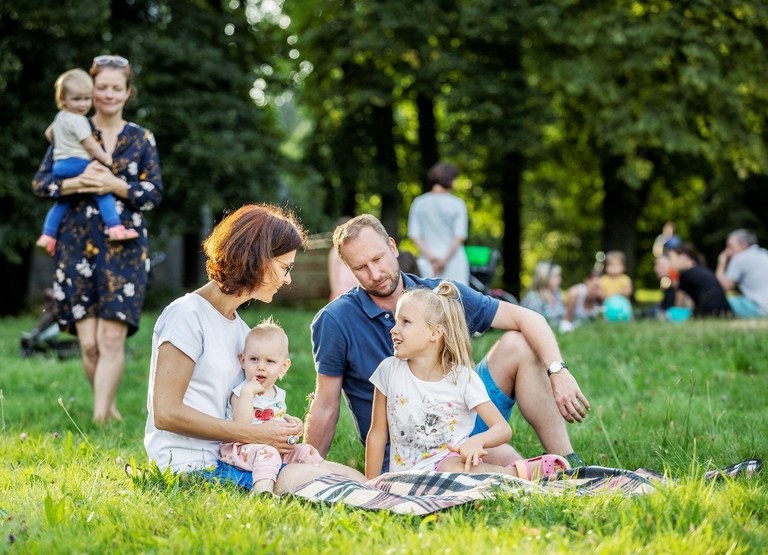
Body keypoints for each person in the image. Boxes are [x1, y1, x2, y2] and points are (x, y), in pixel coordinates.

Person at [306, 214, 590, 471]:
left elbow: (529, 318)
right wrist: (307, 466)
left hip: (459, 421)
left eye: (378, 259)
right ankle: (533, 471)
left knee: (519, 343)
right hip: (406, 447)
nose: (375, 274)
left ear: (393, 247)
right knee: (508, 464)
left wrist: (558, 370)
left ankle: (569, 462)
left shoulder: (439, 294)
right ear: (348, 269)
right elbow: (326, 405)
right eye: (361, 267)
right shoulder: (336, 320)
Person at [144, 204, 365, 494]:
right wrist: (254, 433)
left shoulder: (243, 334)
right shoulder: (187, 315)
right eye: (285, 267)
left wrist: (275, 423)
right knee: (326, 482)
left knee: (342, 474)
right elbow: (166, 413)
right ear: (258, 258)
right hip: (190, 467)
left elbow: (236, 407)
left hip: (237, 459)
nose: (287, 279)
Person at [32, 54, 163, 423]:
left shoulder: (141, 139)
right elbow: (42, 182)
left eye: (115, 88)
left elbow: (153, 194)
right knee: (88, 345)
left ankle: (99, 418)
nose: (107, 94)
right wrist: (76, 183)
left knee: (110, 341)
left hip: (125, 248)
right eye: (100, 87)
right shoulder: (70, 125)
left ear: (127, 92)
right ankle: (108, 410)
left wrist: (114, 184)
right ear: (90, 90)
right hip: (74, 247)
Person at [365, 281, 571, 481]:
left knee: (452, 469)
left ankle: (517, 475)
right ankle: (509, 472)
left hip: (448, 466)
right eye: (395, 321)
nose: (393, 329)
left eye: (405, 322)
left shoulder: (463, 379)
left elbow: (502, 428)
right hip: (406, 477)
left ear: (435, 333)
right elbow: (377, 433)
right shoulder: (388, 371)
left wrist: (476, 441)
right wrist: (371, 484)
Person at [35, 68, 138, 257]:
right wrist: (105, 158)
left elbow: (49, 135)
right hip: (76, 163)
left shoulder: (60, 117)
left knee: (61, 203)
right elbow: (90, 145)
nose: (83, 104)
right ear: (62, 100)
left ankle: (47, 236)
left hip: (60, 165)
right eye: (77, 99)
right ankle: (115, 228)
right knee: (103, 192)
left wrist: (62, 146)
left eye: (86, 99)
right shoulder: (79, 120)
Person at [219, 319, 324, 494]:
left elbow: (276, 418)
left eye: (269, 361)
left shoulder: (278, 393)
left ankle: (320, 482)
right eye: (254, 359)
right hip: (239, 451)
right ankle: (262, 492)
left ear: (283, 367)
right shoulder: (241, 392)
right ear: (243, 360)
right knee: (268, 453)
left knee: (306, 451)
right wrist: (248, 394)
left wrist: (291, 424)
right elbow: (240, 429)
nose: (261, 367)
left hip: (270, 449)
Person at [407, 162, 470, 284]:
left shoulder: (419, 202)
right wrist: (444, 261)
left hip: (427, 264)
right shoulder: (457, 204)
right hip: (454, 263)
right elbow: (459, 236)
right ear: (450, 179)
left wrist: (432, 259)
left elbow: (415, 235)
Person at [665, 243, 732, 318]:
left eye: (671, 259)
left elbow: (679, 305)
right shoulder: (700, 270)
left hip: (710, 313)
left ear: (683, 257)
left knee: (670, 313)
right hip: (724, 312)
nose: (670, 264)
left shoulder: (686, 274)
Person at [716, 229, 768, 318]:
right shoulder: (764, 253)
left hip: (760, 309)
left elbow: (723, 287)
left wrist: (721, 263)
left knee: (717, 299)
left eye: (730, 247)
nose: (727, 251)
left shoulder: (739, 257)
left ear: (744, 246)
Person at [520, 261, 566, 329]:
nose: (560, 279)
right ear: (545, 278)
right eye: (556, 276)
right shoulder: (532, 298)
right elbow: (533, 325)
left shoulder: (557, 294)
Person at [327, 217, 358, 300]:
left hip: (356, 290)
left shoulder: (357, 250)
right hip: (341, 291)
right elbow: (333, 275)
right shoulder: (335, 251)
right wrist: (336, 294)